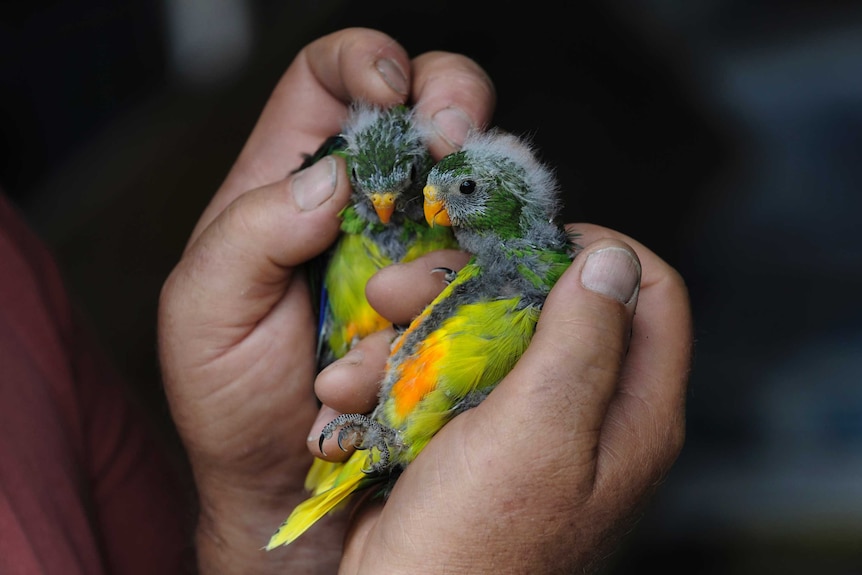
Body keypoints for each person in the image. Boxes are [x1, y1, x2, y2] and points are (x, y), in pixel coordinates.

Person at [0, 26, 691, 574]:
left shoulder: (19, 281)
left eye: (420, 189)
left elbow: (262, 547)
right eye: (384, 192)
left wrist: (258, 507)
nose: (403, 206)